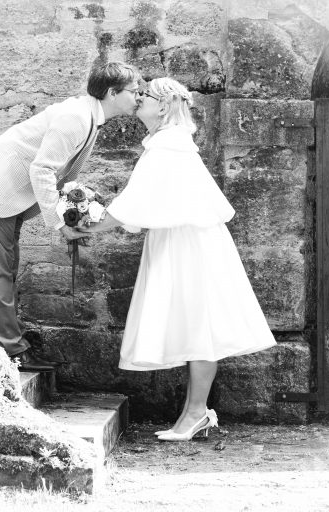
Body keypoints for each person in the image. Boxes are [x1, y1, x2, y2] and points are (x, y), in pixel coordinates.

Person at [79, 77, 277, 440]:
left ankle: (197, 413)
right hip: (182, 239)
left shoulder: (168, 146)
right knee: (193, 325)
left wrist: (86, 228)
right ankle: (193, 413)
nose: (138, 99)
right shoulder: (167, 144)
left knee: (199, 326)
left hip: (189, 245)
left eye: (146, 95)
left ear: (165, 105)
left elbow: (132, 204)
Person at [0, 62, 141, 371]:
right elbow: (43, 169)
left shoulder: (89, 115)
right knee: (0, 267)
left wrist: (76, 209)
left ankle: (9, 339)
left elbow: (60, 173)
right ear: (113, 94)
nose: (138, 96)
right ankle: (10, 349)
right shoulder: (76, 117)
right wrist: (60, 224)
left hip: (14, 190)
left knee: (6, 264)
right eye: (134, 90)